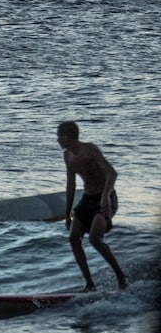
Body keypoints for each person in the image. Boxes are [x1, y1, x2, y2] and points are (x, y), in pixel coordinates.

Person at [57, 121, 126, 291]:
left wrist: (105, 197)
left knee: (95, 239)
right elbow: (71, 185)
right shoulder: (68, 156)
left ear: (67, 136)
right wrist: (67, 214)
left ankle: (121, 277)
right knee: (73, 238)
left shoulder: (90, 150)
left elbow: (112, 173)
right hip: (88, 199)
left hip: (106, 198)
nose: (57, 140)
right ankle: (89, 283)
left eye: (58, 136)